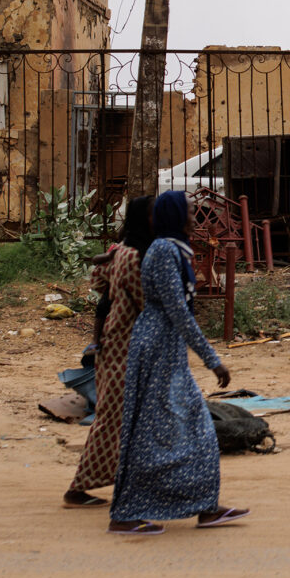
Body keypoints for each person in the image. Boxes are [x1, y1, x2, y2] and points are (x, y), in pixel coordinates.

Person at [108, 190, 249, 536]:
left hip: (167, 349)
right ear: (173, 215)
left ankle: (205, 506)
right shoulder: (163, 252)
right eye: (188, 211)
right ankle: (126, 513)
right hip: (156, 348)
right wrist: (213, 360)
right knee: (153, 433)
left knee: (195, 429)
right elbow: (177, 311)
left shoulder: (173, 249)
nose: (194, 216)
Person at [61, 196, 154, 508]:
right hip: (121, 346)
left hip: (118, 343)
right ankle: (79, 488)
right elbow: (146, 302)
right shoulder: (134, 256)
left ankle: (134, 482)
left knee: (128, 418)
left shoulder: (123, 250)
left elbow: (99, 283)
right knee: (112, 418)